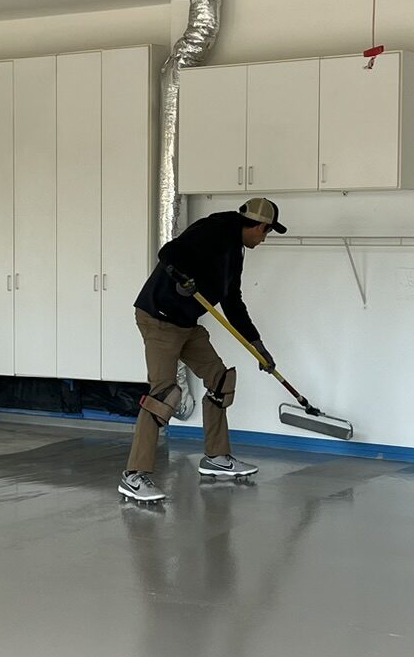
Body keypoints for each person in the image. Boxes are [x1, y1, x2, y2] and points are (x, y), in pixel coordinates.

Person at [118, 197, 287, 504]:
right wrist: (181, 278)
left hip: (186, 324)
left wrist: (257, 345)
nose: (263, 239)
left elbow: (232, 302)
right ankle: (135, 475)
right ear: (260, 226)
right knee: (164, 395)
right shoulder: (214, 229)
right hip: (159, 319)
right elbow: (169, 252)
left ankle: (216, 458)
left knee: (220, 380)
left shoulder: (235, 251)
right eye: (266, 233)